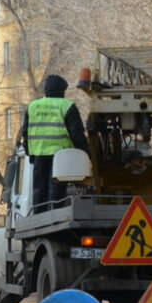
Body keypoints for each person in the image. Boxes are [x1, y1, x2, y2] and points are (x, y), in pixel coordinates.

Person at [21, 75, 90, 211]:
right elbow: (77, 134)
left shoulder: (33, 106)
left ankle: (39, 219)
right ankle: (54, 217)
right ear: (62, 90)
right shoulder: (66, 105)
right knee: (56, 190)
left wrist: (30, 152)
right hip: (61, 156)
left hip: (39, 154)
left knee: (39, 189)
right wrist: (86, 154)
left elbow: (25, 133)